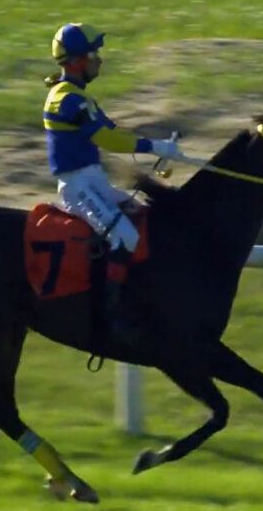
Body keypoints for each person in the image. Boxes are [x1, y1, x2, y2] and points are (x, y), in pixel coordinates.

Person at [43, 22, 179, 345]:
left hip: (94, 183)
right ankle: (109, 316)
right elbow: (106, 138)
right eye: (94, 54)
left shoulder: (79, 97)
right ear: (77, 60)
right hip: (77, 188)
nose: (99, 60)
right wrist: (155, 147)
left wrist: (159, 146)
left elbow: (114, 131)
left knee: (143, 217)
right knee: (125, 235)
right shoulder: (67, 99)